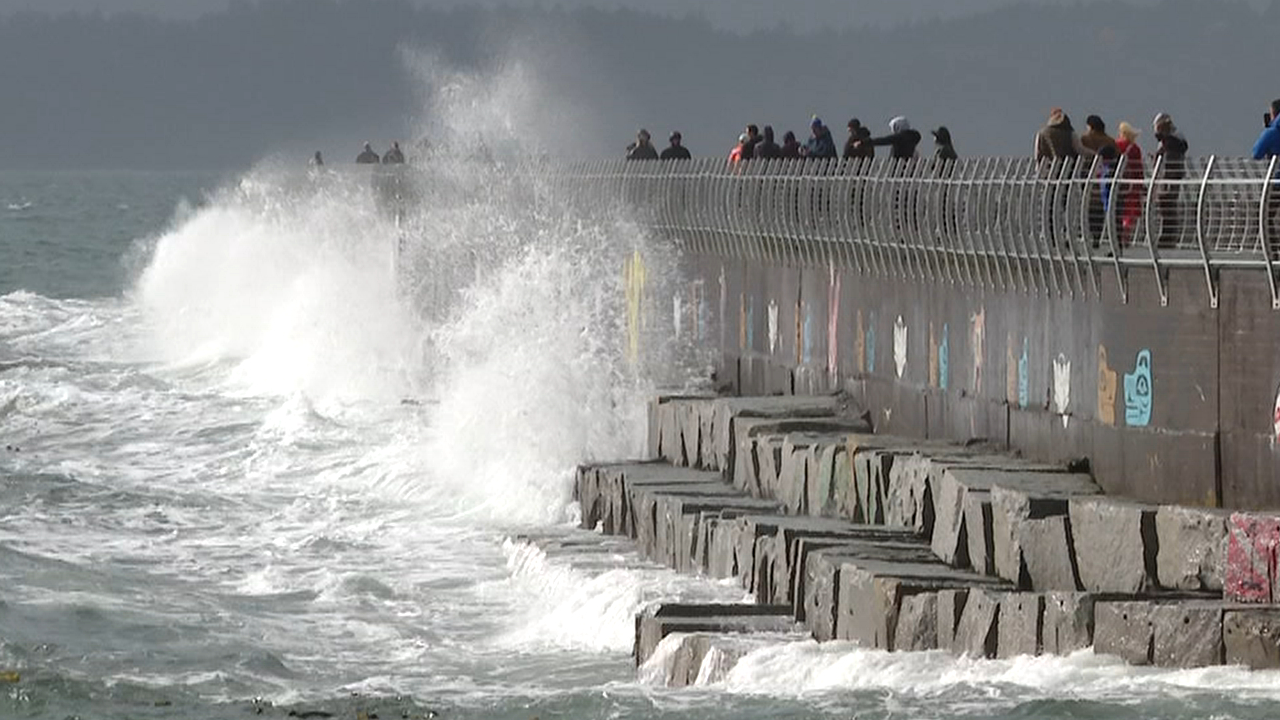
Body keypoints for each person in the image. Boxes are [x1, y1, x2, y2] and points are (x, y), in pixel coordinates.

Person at [1152, 113, 1189, 247]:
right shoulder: (1172, 139)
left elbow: (1176, 147)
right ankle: (1167, 235)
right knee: (1165, 205)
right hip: (1168, 175)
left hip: (1171, 175)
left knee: (1168, 205)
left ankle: (1168, 236)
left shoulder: (1173, 139)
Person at [1114, 121, 1145, 244]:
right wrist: (1140, 182)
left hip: (1119, 181)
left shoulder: (1116, 145)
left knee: (1119, 208)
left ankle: (1120, 233)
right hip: (1132, 181)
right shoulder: (1135, 148)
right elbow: (1138, 167)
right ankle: (1126, 232)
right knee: (1130, 209)